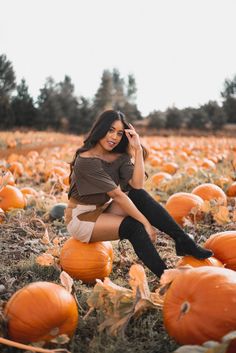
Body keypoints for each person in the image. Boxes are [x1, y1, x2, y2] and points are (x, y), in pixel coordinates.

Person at [65, 110, 212, 278]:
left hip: (100, 210)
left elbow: (137, 184)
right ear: (101, 129)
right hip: (81, 218)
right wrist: (146, 224)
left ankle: (183, 241)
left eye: (119, 133)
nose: (114, 137)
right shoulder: (86, 161)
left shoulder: (117, 156)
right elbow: (117, 195)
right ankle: (166, 276)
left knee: (137, 195)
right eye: (110, 130)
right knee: (134, 228)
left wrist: (137, 150)